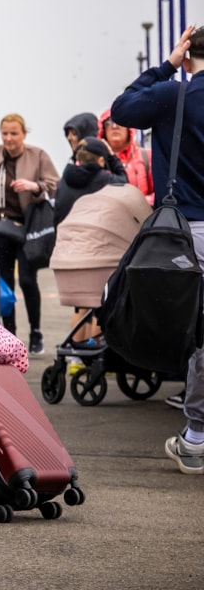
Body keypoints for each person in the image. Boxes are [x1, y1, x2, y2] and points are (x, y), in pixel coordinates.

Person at [110, 24, 204, 476]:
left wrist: (167, 65)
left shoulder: (173, 94)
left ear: (189, 54)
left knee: (198, 331)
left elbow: (122, 109)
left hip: (190, 230)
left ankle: (197, 436)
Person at [0, 113, 59, 354]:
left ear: (24, 134)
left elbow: (54, 183)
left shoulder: (37, 155)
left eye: (14, 134)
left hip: (27, 227)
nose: (9, 139)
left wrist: (34, 186)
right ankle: (9, 335)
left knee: (29, 281)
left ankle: (36, 333)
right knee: (4, 284)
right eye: (5, 134)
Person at [49, 137, 148, 347]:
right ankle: (97, 353)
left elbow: (58, 213)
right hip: (99, 251)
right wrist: (113, 158)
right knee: (99, 307)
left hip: (70, 252)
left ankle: (76, 355)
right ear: (101, 160)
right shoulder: (105, 179)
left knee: (80, 308)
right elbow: (125, 185)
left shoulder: (65, 181)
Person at [99, 109, 154, 206]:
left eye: (120, 122)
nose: (115, 126)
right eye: (109, 123)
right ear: (103, 130)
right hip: (105, 217)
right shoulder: (94, 159)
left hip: (142, 217)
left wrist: (140, 204)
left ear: (129, 128)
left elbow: (161, 192)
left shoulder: (147, 156)